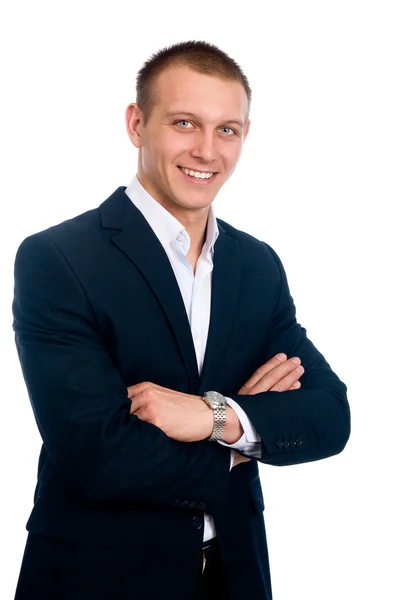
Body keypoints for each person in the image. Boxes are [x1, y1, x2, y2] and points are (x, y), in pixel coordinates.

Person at [12, 40, 351, 600]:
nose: (206, 150)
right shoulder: (59, 258)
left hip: (235, 575)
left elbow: (328, 415)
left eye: (227, 130)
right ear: (137, 124)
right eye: (185, 123)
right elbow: (95, 455)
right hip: (98, 578)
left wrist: (210, 416)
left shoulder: (257, 264)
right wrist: (248, 435)